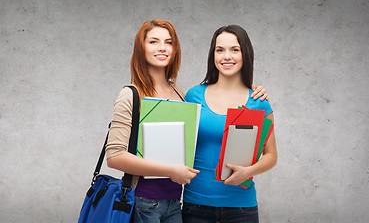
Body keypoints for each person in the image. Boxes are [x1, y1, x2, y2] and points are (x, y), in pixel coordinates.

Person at [105, 19, 269, 223]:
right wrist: (171, 171)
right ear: (141, 48)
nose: (162, 48)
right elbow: (114, 157)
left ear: (175, 49)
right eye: (153, 42)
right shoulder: (131, 94)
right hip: (143, 201)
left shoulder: (182, 95)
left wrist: (246, 88)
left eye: (169, 42)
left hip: (175, 203)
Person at [182, 25, 277, 223]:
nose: (227, 56)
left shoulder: (259, 102)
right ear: (212, 55)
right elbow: (180, 146)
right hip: (195, 206)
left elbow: (271, 156)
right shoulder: (193, 96)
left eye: (235, 49)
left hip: (241, 209)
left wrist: (249, 172)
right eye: (220, 50)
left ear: (245, 54)